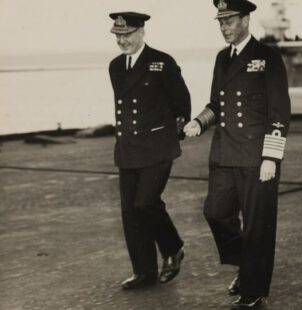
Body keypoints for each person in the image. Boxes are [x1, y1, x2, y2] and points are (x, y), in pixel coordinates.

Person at [184, 0, 291, 308]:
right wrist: (199, 122)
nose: (224, 27)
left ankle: (254, 290)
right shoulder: (222, 58)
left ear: (246, 20)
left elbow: (280, 111)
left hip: (258, 157)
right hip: (224, 153)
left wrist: (271, 156)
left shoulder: (268, 57)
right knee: (215, 212)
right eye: (220, 22)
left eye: (230, 20)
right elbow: (216, 105)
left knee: (258, 226)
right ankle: (247, 265)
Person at [108, 11, 190, 289]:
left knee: (146, 202)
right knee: (131, 212)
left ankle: (173, 247)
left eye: (127, 35)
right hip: (129, 149)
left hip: (157, 148)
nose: (122, 41)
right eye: (118, 36)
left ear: (142, 32)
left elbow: (182, 102)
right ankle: (144, 272)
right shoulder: (115, 66)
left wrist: (173, 132)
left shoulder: (162, 62)